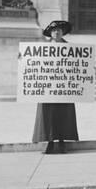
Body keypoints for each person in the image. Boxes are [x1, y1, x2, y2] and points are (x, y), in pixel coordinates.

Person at [32, 20, 79, 154]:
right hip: (47, 88)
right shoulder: (42, 48)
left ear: (63, 32)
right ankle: (50, 142)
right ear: (50, 33)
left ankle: (62, 142)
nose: (57, 32)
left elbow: (79, 64)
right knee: (48, 114)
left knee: (63, 114)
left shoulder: (71, 48)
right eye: (54, 30)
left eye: (59, 30)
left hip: (64, 87)